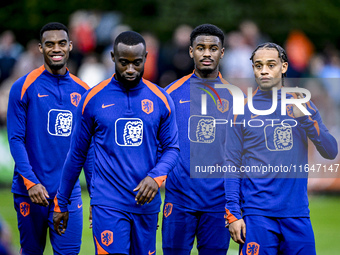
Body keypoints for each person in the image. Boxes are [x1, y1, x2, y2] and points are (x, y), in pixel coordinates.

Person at [53, 31, 179, 255]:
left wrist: (155, 176)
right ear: (113, 57)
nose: (130, 69)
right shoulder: (93, 99)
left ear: (146, 58)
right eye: (124, 63)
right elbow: (77, 154)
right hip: (107, 203)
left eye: (136, 63)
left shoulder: (161, 99)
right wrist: (61, 203)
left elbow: (171, 148)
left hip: (146, 206)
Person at [224, 42, 338, 254]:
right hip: (257, 215)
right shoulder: (241, 110)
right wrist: (233, 214)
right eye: (258, 65)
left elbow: (330, 151)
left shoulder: (302, 104)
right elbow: (231, 165)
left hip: (297, 215)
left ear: (284, 67)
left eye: (271, 64)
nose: (264, 70)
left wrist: (306, 120)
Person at [7, 22, 90, 255]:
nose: (56, 49)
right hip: (30, 191)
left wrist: (95, 195)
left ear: (70, 46)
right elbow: (15, 139)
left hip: (68, 195)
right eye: (50, 44)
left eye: (62, 43)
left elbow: (89, 150)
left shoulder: (85, 91)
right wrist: (31, 182)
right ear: (40, 48)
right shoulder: (22, 87)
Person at [162, 24, 231, 255]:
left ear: (222, 52)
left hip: (218, 201)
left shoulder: (235, 97)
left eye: (213, 48)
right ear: (191, 51)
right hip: (179, 199)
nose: (207, 53)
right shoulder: (170, 94)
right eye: (201, 48)